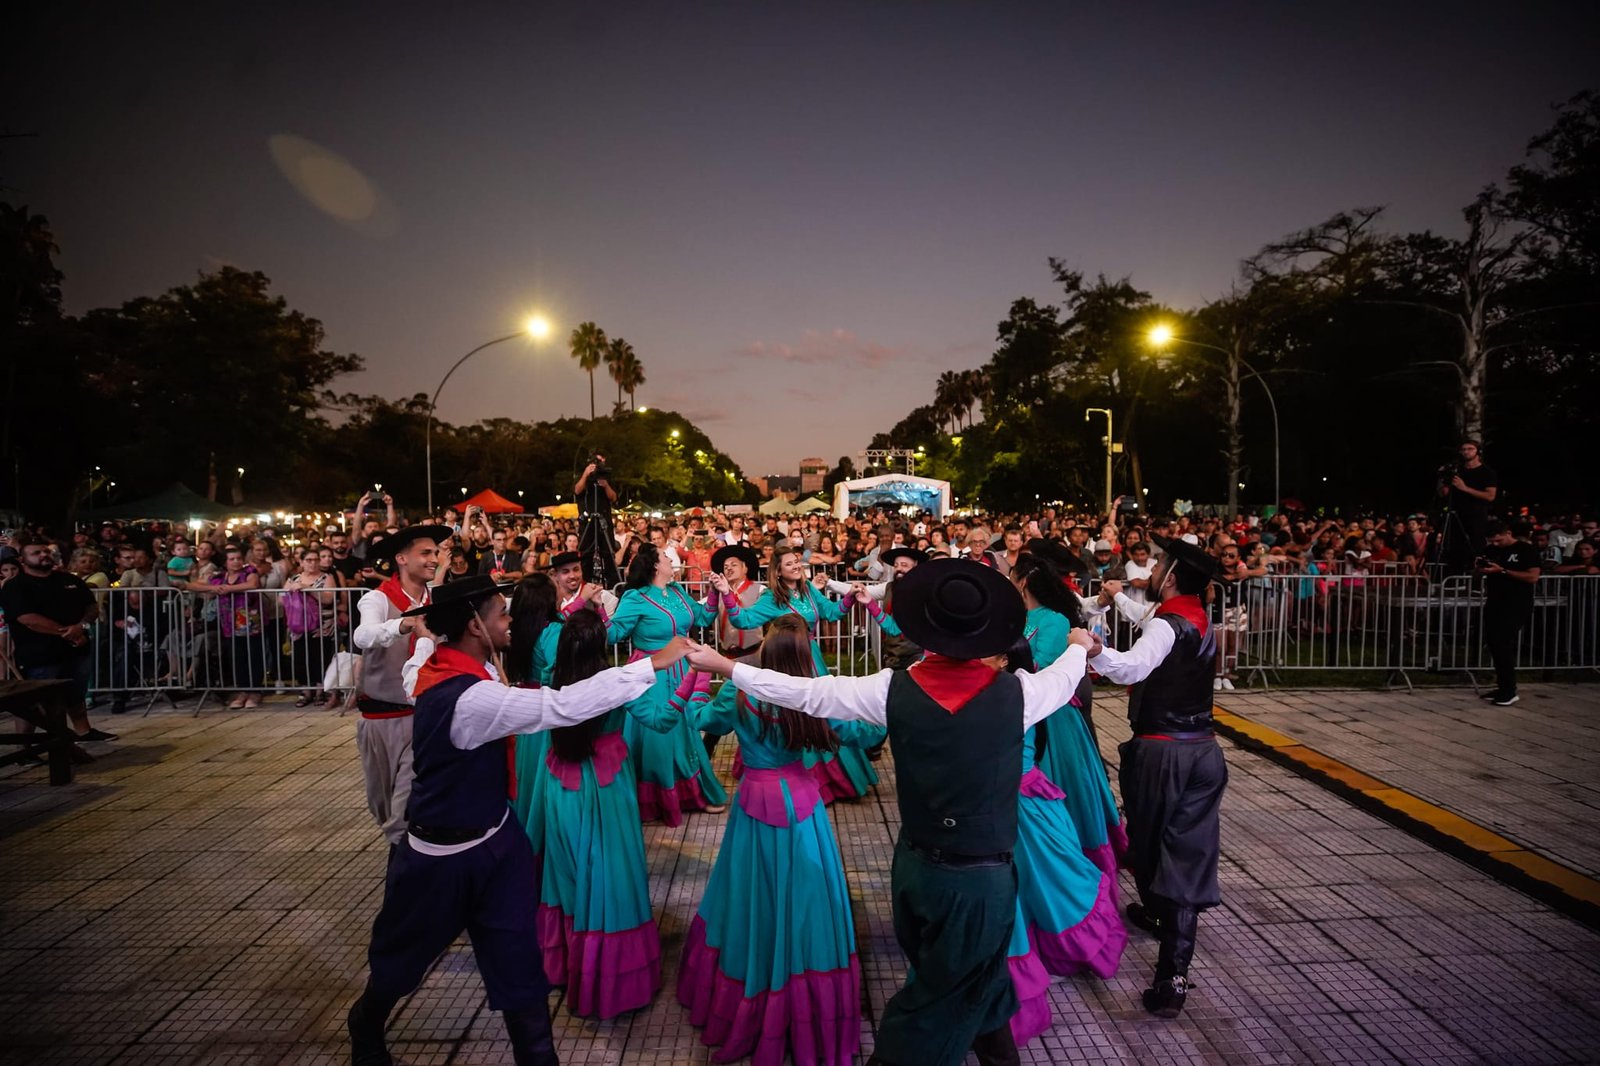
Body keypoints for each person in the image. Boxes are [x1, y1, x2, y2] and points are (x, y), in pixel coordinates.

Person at [687, 559, 1095, 1066]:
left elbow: (807, 693)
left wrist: (727, 668)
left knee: (971, 981)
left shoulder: (890, 688)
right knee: (934, 1000)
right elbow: (1064, 676)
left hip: (915, 868)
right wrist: (1078, 647)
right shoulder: (1020, 694)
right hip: (980, 878)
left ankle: (995, 1050)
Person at [346, 575, 691, 1066]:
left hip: (496, 842)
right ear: (474, 625)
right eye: (501, 614)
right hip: (439, 857)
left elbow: (416, 666)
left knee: (518, 963)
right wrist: (650, 665)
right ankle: (367, 1023)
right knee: (402, 961)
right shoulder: (470, 696)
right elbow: (562, 706)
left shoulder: (446, 666)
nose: (512, 621)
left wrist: (426, 637)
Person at [678, 616, 881, 1066]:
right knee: (809, 899)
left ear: (765, 651)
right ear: (805, 654)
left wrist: (694, 683)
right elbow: (864, 732)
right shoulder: (813, 696)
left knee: (749, 896)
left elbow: (701, 719)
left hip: (754, 803)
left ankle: (753, 985)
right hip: (803, 802)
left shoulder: (741, 690)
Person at [1082, 534, 1227, 1018]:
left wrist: (1094, 650)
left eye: (1162, 562)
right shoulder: (1196, 618)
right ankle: (1169, 953)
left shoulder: (1168, 625)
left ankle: (1171, 968)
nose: (1156, 567)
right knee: (1187, 851)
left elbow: (1130, 668)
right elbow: (1146, 624)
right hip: (1203, 751)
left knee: (1149, 844)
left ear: (1172, 575)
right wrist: (1116, 596)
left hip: (1163, 752)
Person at [532, 609, 688, 1018]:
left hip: (561, 783)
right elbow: (661, 719)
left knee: (566, 872)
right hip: (606, 786)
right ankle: (605, 975)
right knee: (609, 872)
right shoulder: (618, 682)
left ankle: (564, 965)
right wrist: (692, 686)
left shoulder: (555, 678)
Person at [716, 546, 875, 803]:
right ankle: (800, 775)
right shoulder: (772, 599)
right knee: (795, 714)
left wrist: (850, 598)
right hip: (787, 662)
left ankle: (836, 776)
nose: (796, 566)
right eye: (789, 564)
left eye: (797, 562)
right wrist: (725, 595)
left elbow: (832, 613)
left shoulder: (809, 590)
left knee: (822, 710)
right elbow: (743, 621)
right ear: (777, 571)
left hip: (812, 659)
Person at [607, 543, 728, 824]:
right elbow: (614, 634)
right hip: (652, 673)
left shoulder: (676, 592)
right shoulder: (635, 597)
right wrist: (598, 610)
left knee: (686, 733)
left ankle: (691, 794)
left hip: (684, 671)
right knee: (660, 737)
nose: (672, 561)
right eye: (666, 557)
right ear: (654, 566)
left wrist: (713, 593)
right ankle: (656, 801)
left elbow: (702, 618)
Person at [351, 524, 450, 848]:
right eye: (426, 553)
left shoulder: (437, 600)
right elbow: (363, 636)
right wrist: (402, 624)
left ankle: (407, 872)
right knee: (381, 804)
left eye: (435, 552)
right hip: (380, 721)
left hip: (422, 718)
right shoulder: (376, 599)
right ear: (401, 559)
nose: (434, 559)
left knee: (405, 809)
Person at [0, 536, 115, 743]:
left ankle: (83, 732)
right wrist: (67, 633)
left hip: (77, 650)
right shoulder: (16, 586)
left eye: (46, 551)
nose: (44, 555)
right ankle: (26, 745)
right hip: (40, 654)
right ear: (23, 560)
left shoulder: (69, 580)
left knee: (76, 694)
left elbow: (91, 607)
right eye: (36, 553)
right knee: (35, 702)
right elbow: (27, 618)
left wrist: (80, 627)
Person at [1478, 521, 1540, 707]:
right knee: (1494, 643)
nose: (1495, 544)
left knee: (1503, 643)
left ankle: (1509, 690)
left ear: (1508, 533)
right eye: (1492, 541)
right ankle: (1502, 685)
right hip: (1495, 601)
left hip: (1516, 603)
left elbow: (1533, 576)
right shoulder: (1491, 550)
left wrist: (1503, 571)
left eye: (1498, 540)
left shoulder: (1525, 550)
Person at [1437, 439, 1499, 574]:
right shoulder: (1457, 470)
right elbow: (1444, 493)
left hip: (1476, 515)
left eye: (1470, 449)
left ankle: (1477, 579)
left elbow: (1490, 496)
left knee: (1476, 547)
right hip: (1455, 513)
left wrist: (1465, 488)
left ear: (1478, 452)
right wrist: (1442, 478)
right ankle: (1455, 579)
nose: (1466, 452)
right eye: (1464, 449)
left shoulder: (1487, 472)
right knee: (1455, 547)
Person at [574, 455, 621, 587]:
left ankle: (613, 586)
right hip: (588, 521)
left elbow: (613, 497)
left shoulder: (606, 475)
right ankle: (585, 584)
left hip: (603, 521)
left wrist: (605, 486)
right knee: (586, 555)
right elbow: (577, 490)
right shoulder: (583, 475)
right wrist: (585, 475)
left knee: (608, 554)